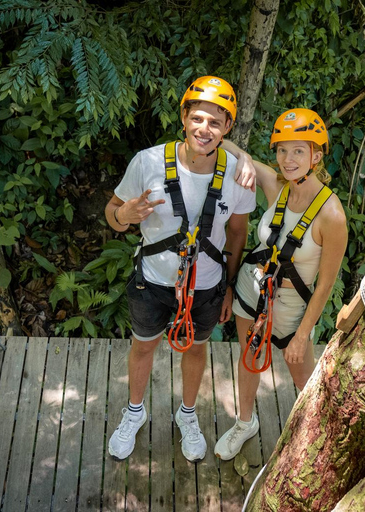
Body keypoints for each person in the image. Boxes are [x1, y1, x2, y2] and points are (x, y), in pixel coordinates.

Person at [104, 76, 255, 462]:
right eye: (198, 118)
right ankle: (135, 411)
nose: (205, 129)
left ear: (228, 128)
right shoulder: (149, 161)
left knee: (196, 350)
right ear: (185, 118)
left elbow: (237, 233)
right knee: (143, 346)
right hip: (153, 279)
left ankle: (187, 414)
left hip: (206, 285)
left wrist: (228, 286)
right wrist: (124, 214)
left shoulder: (239, 174)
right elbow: (113, 214)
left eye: (216, 122)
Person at [214, 108, 348, 460]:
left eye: (298, 151)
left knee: (308, 383)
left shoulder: (331, 216)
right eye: (282, 150)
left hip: (291, 311)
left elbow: (325, 286)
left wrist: (303, 334)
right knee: (249, 360)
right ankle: (245, 423)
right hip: (250, 293)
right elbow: (223, 144)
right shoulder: (276, 186)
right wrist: (242, 157)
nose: (287, 160)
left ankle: (321, 439)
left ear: (316, 156)